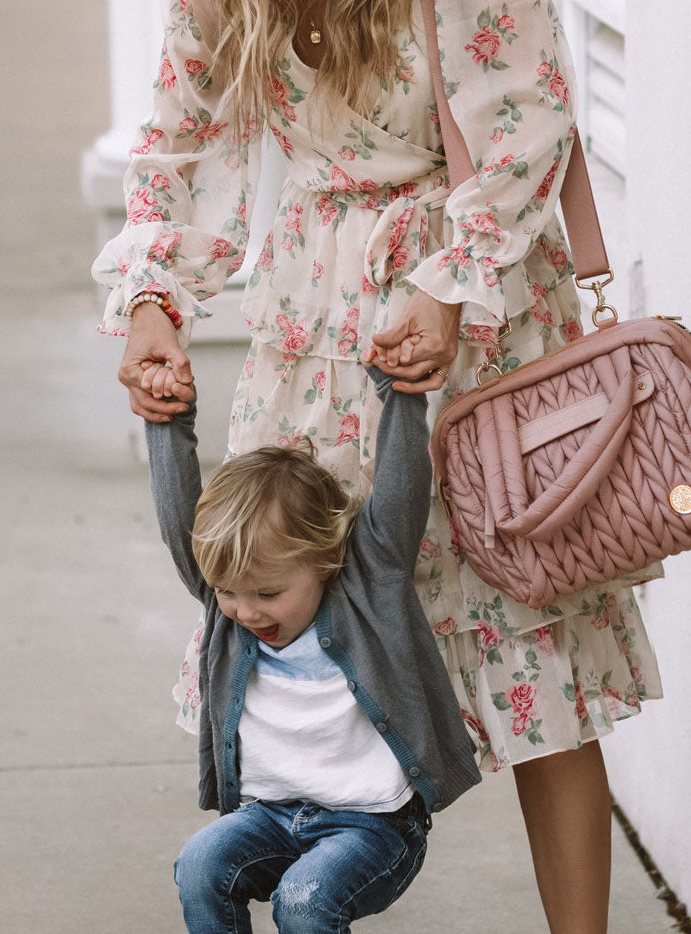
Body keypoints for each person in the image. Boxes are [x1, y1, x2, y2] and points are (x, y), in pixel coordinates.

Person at [93, 0, 663, 934]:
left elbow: (525, 110)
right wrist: (153, 302)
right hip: (310, 322)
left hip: (475, 300)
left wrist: (449, 282)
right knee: (317, 635)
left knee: (532, 650)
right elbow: (175, 152)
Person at [146, 362, 478, 931]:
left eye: (269, 593)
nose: (246, 612)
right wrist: (168, 420)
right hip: (271, 818)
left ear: (324, 560)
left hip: (374, 826)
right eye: (228, 592)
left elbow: (399, 495)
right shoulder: (226, 605)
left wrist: (401, 396)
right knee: (201, 864)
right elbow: (183, 522)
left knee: (304, 899)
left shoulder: (368, 588)